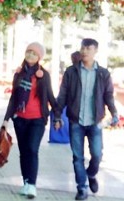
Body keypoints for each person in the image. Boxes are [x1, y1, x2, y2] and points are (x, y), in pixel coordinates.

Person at [54, 38, 119, 200]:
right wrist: (57, 116)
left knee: (97, 154)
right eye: (83, 48)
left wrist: (114, 112)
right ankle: (82, 188)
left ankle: (91, 174)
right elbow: (62, 95)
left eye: (88, 49)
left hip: (95, 121)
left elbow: (108, 96)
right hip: (76, 120)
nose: (84, 51)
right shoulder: (71, 72)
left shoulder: (103, 73)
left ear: (95, 51)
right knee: (78, 157)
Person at [2, 42, 60, 199]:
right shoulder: (19, 74)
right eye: (28, 52)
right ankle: (26, 182)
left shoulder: (43, 75)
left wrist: (57, 115)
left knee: (32, 149)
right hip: (20, 119)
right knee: (23, 152)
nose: (30, 56)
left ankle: (32, 185)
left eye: (34, 54)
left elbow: (50, 96)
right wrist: (7, 119)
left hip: (37, 119)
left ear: (39, 57)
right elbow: (14, 98)